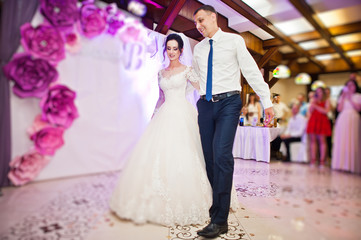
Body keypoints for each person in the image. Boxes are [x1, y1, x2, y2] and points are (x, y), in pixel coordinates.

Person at [109, 33, 213, 226]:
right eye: (169, 48)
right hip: (165, 113)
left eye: (175, 48)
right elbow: (161, 97)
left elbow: (202, 91)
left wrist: (209, 112)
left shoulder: (188, 70)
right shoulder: (161, 72)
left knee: (183, 153)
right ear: (165, 50)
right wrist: (154, 114)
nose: (172, 52)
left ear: (181, 50)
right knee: (158, 154)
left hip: (182, 113)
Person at [192, 5, 274, 238]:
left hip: (229, 102)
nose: (198, 25)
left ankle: (220, 220)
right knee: (209, 159)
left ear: (213, 17)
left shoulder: (234, 40)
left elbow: (250, 71)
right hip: (205, 104)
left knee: (222, 155)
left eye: (201, 20)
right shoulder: (198, 49)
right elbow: (199, 77)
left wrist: (266, 101)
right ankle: (217, 205)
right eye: (196, 23)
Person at [332, 79, 361, 174]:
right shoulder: (342, 97)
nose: (349, 87)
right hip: (343, 118)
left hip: (353, 118)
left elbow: (358, 108)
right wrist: (344, 97)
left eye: (352, 85)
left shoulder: (358, 96)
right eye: (348, 85)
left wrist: (350, 97)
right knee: (342, 140)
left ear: (355, 86)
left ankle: (351, 165)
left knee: (352, 140)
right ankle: (340, 164)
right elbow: (339, 109)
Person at [306, 87, 332, 168]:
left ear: (323, 92)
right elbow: (310, 111)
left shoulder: (327, 100)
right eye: (317, 92)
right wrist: (313, 103)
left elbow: (326, 111)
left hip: (322, 120)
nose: (319, 93)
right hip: (313, 120)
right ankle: (313, 160)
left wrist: (316, 106)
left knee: (322, 141)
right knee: (313, 141)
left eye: (320, 91)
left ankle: (322, 161)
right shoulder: (314, 100)